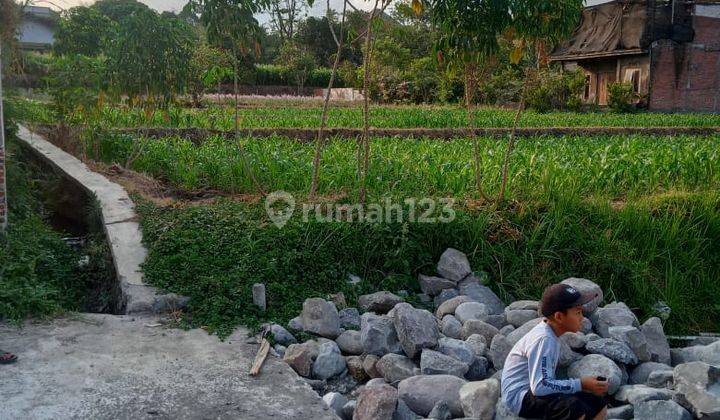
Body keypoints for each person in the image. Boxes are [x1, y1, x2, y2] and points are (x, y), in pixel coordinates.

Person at [501, 283, 609, 420]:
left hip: (536, 392)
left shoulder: (552, 334)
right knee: (574, 409)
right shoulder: (544, 340)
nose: (582, 318)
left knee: (598, 404)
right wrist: (581, 384)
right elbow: (540, 386)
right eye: (578, 312)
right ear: (558, 317)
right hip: (520, 397)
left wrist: (583, 386)